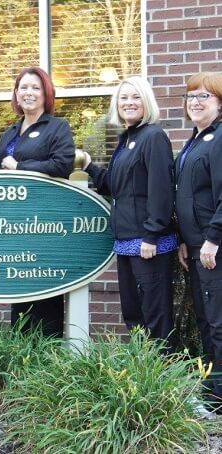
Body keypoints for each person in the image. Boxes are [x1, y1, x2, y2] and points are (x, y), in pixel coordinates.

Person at [81, 76, 176, 345]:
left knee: (156, 316)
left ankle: (164, 375)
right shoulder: (127, 139)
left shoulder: (153, 136)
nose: (129, 103)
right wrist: (89, 166)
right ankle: (142, 374)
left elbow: (161, 190)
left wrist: (151, 235)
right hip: (125, 241)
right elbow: (117, 185)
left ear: (146, 102)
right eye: (124, 98)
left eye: (135, 97)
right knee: (133, 314)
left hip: (148, 243)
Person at [0, 66, 75, 337]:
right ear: (16, 94)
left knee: (44, 292)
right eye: (23, 88)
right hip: (13, 225)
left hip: (43, 224)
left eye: (35, 88)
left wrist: (21, 167)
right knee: (20, 291)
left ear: (46, 94)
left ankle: (48, 366)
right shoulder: (10, 132)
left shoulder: (57, 127)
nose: (29, 93)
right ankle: (22, 361)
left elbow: (62, 164)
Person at [175, 72, 222, 412]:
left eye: (204, 96)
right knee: (205, 319)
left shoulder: (219, 139)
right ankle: (211, 389)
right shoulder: (195, 140)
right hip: (195, 247)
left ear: (219, 103)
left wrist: (212, 239)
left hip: (213, 249)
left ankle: (217, 398)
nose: (195, 102)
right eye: (191, 96)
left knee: (218, 321)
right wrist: (183, 240)